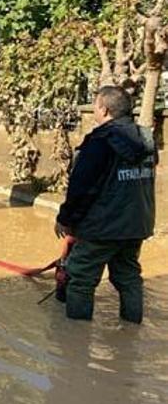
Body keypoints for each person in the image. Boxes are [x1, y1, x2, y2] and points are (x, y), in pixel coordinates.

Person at [55, 85, 156, 323]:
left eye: (96, 106)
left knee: (80, 279)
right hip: (136, 225)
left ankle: (75, 345)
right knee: (128, 277)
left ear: (104, 109)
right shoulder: (146, 139)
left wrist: (66, 219)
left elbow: (82, 187)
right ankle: (131, 332)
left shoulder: (100, 141)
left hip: (102, 227)